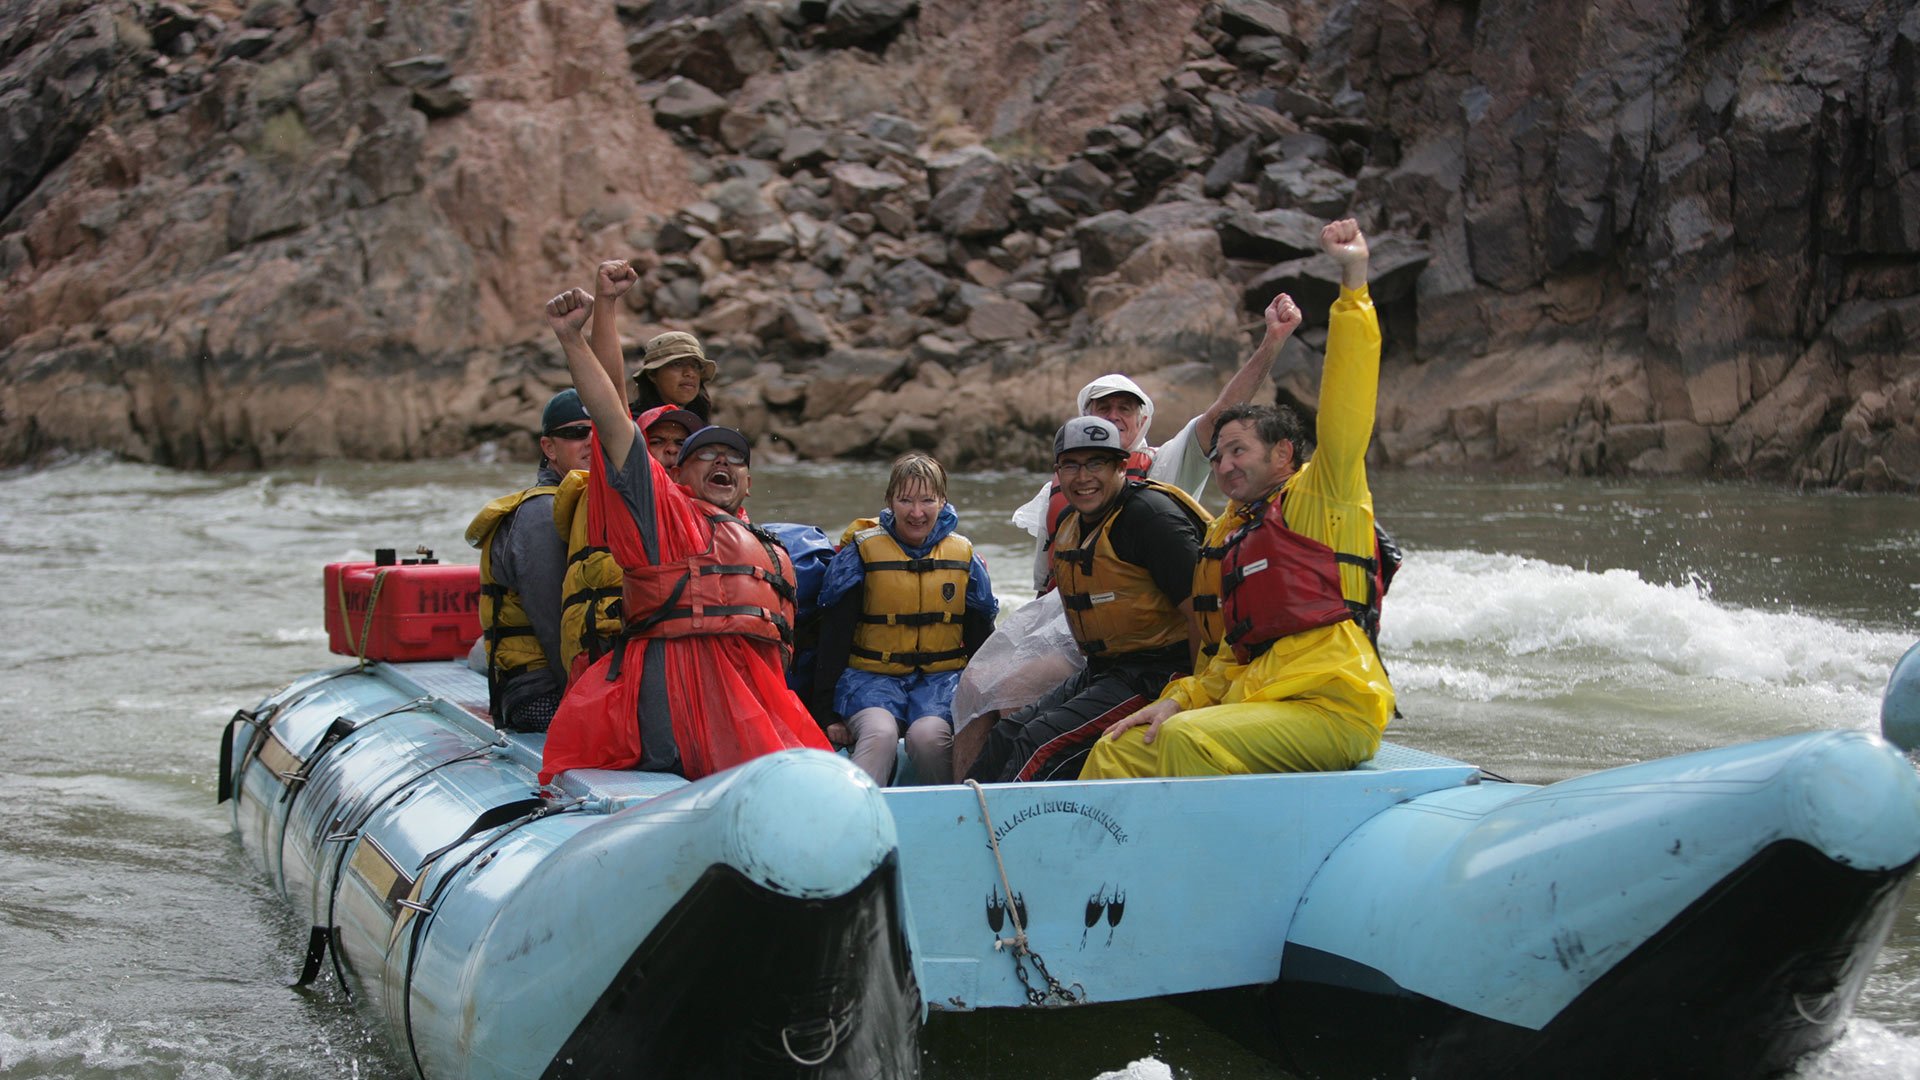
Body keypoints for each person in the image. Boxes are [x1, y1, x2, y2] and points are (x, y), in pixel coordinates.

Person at [1081, 218, 1396, 779]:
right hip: (1257, 698)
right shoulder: (1229, 533)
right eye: (1218, 455)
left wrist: (1353, 283)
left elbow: (1349, 402)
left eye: (1237, 451)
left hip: (1331, 704)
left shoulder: (1324, 496)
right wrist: (1178, 697)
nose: (1223, 466)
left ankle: (1191, 867)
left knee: (1186, 742)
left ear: (1282, 456)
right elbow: (1227, 656)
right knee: (1119, 747)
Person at [537, 284, 828, 785]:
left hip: (763, 717)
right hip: (681, 721)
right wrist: (575, 338)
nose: (721, 462)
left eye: (734, 458)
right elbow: (612, 417)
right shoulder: (668, 521)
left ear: (749, 483)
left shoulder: (766, 544)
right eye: (702, 456)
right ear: (677, 476)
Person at [963, 417, 1210, 783]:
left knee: (1037, 741)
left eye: (1096, 463)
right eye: (1072, 465)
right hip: (1106, 669)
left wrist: (1191, 696)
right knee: (1007, 733)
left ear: (1120, 466)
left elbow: (1204, 616)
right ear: (1058, 471)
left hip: (1159, 673)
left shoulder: (1151, 519)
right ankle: (962, 824)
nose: (1083, 477)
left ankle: (1007, 836)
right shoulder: (1069, 522)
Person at [1011, 292, 1303, 591]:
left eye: (1125, 409)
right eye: (1104, 408)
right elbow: (1043, 580)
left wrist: (1272, 341)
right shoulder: (1061, 485)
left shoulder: (1167, 464)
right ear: (1086, 417)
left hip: (1144, 620)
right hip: (1068, 620)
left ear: (1142, 421)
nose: (1114, 416)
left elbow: (1220, 416)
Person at [812, 453, 998, 785]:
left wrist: (989, 704)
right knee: (881, 735)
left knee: (928, 738)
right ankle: (859, 824)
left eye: (927, 500)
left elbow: (982, 639)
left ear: (942, 501)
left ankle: (948, 819)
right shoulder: (861, 554)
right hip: (870, 682)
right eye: (905, 500)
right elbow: (833, 637)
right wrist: (825, 713)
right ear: (890, 501)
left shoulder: (964, 557)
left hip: (941, 684)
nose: (916, 512)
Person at [464, 389, 594, 732]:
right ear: (549, 448)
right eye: (576, 433)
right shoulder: (543, 514)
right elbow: (553, 623)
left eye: (599, 430)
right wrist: (585, 702)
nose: (591, 441)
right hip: (538, 691)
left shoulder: (587, 505)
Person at [550, 404, 702, 681]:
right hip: (609, 656)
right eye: (657, 442)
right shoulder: (609, 497)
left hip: (675, 650)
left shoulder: (701, 506)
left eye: (680, 443)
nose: (671, 450)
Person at [590, 259, 716, 422]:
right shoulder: (633, 428)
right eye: (677, 364)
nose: (689, 373)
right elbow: (606, 385)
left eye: (696, 366)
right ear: (652, 374)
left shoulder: (701, 433)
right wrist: (605, 298)